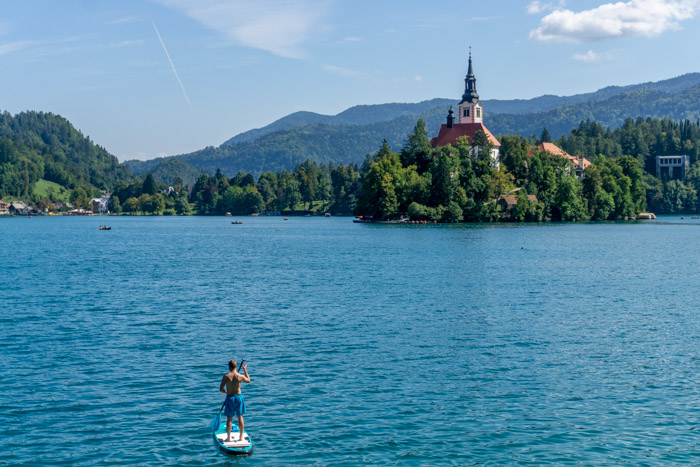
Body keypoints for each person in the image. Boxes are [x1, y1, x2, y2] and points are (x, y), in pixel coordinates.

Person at [219, 359, 251, 442]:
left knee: (229, 419)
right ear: (236, 366)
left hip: (230, 398)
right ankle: (241, 437)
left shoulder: (226, 377)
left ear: (229, 367)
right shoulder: (240, 376)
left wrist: (226, 391)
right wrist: (244, 370)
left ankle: (228, 438)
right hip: (238, 397)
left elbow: (221, 389)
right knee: (240, 416)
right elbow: (248, 380)